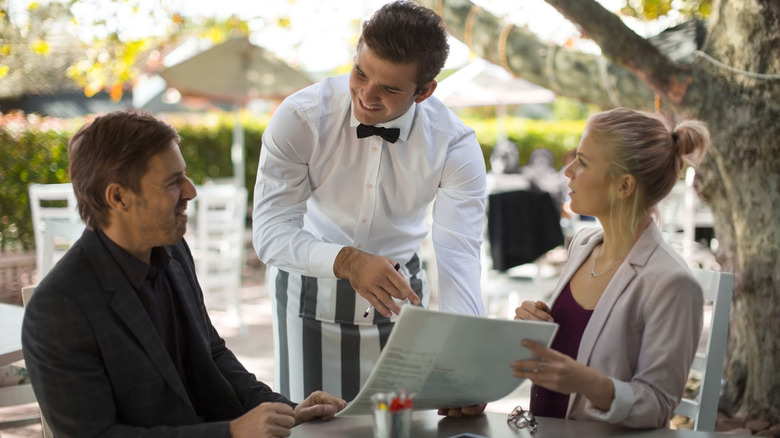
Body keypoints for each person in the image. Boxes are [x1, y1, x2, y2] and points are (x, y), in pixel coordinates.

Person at [22, 110, 346, 438]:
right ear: (118, 197)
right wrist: (231, 433)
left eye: (185, 175)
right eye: (172, 182)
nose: (190, 191)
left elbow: (211, 353)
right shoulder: (57, 308)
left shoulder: (173, 252)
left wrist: (285, 410)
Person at [252, 0, 487, 404]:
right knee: (313, 430)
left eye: (390, 88)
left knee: (400, 429)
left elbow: (458, 256)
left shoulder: (455, 145)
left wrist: (462, 360)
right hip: (308, 289)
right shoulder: (300, 118)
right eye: (360, 72)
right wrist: (347, 261)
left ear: (425, 91)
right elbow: (271, 233)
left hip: (402, 304)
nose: (366, 94)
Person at [510, 108, 709, 428]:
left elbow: (658, 407)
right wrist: (534, 323)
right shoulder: (582, 245)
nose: (568, 170)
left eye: (583, 162)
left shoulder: (673, 283)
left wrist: (590, 383)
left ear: (624, 186)